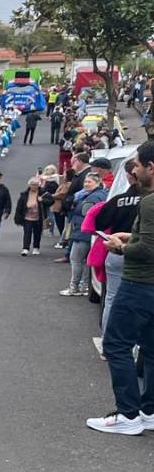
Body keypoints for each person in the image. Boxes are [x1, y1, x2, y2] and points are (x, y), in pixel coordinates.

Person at [85, 143, 154, 435]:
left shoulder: (149, 202)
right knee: (151, 349)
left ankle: (128, 415)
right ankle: (149, 411)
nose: (133, 171)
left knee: (115, 343)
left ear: (151, 167)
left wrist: (121, 246)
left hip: (140, 282)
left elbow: (148, 249)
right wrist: (133, 235)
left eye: (137, 165)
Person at [94, 159, 144, 333]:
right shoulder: (147, 200)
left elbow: (99, 222)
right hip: (142, 254)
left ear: (128, 176)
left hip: (117, 250)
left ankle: (108, 341)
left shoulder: (118, 200)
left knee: (112, 298)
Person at [61, 173, 107, 296]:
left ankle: (74, 287)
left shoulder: (92, 198)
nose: (86, 184)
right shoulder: (100, 194)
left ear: (97, 183)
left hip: (83, 232)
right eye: (85, 182)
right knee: (86, 260)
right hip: (90, 232)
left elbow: (85, 213)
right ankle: (84, 286)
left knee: (75, 259)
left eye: (89, 182)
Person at [13, 175, 47, 256]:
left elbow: (51, 201)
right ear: (29, 185)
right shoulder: (24, 194)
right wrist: (17, 217)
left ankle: (36, 248)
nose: (34, 186)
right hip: (27, 217)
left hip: (38, 217)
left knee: (37, 233)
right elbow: (19, 206)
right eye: (32, 184)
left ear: (38, 185)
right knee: (27, 232)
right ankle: (25, 248)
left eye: (35, 184)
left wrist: (43, 200)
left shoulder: (42, 193)